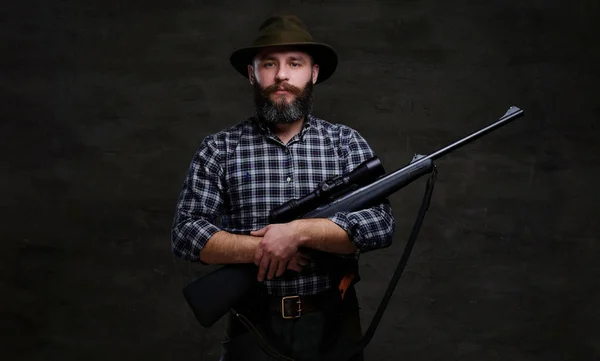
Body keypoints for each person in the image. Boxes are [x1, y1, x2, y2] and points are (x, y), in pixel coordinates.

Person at [171, 14, 395, 361]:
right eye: (269, 64)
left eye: (295, 63)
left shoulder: (346, 144)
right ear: (252, 73)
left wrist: (300, 232)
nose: (282, 76)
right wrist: (261, 248)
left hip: (333, 325)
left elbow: (381, 225)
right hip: (252, 328)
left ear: (314, 73)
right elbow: (186, 233)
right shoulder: (219, 148)